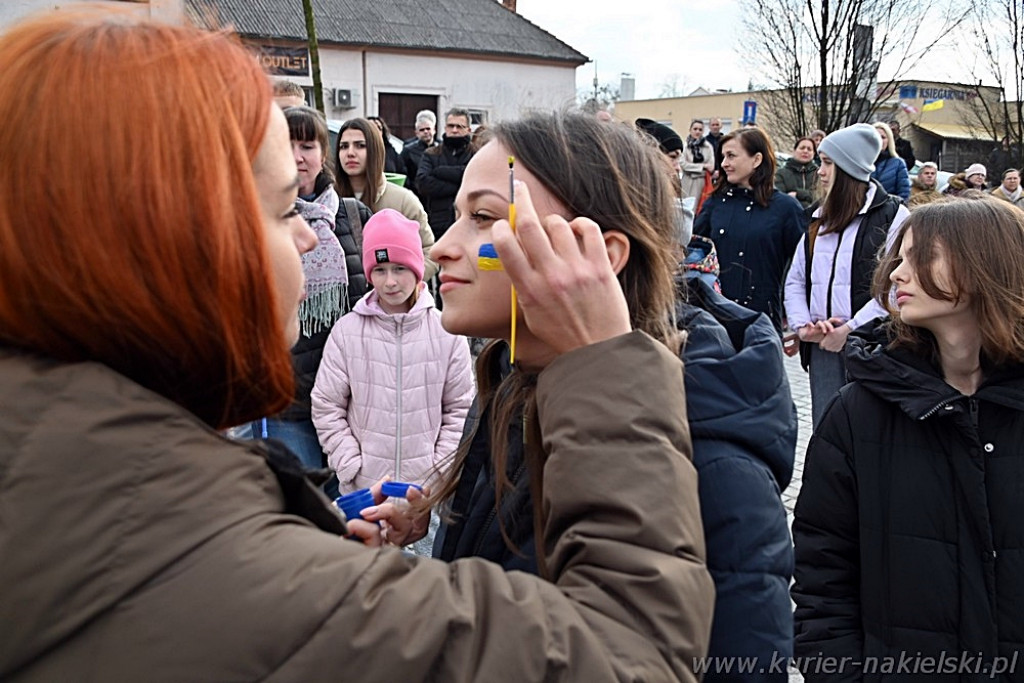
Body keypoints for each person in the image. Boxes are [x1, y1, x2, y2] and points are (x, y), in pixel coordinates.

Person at [0, 11, 715, 681]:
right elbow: (634, 655)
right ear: (179, 244)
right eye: (285, 211)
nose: (311, 236)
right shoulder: (619, 413)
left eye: (484, 217)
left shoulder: (693, 430)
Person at [372, 113, 790, 681]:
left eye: (485, 218)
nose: (443, 247)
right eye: (458, 217)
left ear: (603, 252)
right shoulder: (513, 378)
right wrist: (442, 515)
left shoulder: (707, 452)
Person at [792, 198, 1024, 682]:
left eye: (922, 256)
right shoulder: (858, 413)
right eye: (899, 257)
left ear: (988, 264)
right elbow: (822, 580)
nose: (898, 273)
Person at [312, 208, 473, 496]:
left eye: (399, 268)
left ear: (416, 268)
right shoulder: (347, 332)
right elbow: (326, 405)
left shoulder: (446, 332)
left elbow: (460, 408)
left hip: (426, 495)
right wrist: (350, 465)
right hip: (363, 490)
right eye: (380, 270)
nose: (390, 282)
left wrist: (440, 470)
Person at [784, 123, 910, 427]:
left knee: (865, 435)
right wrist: (804, 327)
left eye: (827, 163)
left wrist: (851, 329)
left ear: (847, 168)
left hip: (873, 349)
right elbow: (796, 278)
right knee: (826, 431)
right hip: (823, 348)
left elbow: (896, 285)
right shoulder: (818, 218)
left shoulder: (893, 215)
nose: (820, 171)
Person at [244, 105, 349, 472]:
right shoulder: (253, 222)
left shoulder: (353, 215)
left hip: (351, 404)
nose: (296, 156)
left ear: (323, 154)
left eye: (307, 146)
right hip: (290, 401)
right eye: (286, 144)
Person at [694, 127, 806, 333]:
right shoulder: (716, 204)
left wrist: (798, 317)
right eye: (722, 157)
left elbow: (803, 267)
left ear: (756, 160)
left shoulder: (785, 209)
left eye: (731, 156)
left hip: (761, 321)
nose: (725, 163)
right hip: (714, 320)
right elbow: (694, 253)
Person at [335, 117, 437, 279]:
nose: (350, 153)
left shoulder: (403, 200)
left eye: (360, 145)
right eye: (343, 146)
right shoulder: (328, 201)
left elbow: (430, 251)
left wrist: (404, 283)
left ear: (376, 150)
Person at [416, 107, 475, 239]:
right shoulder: (431, 154)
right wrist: (460, 184)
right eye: (451, 126)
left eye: (459, 126)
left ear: (468, 130)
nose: (454, 130)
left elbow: (478, 180)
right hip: (438, 222)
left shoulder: (477, 154)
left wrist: (440, 172)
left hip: (470, 222)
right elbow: (423, 183)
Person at [775, 136, 820, 209]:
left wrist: (797, 194)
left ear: (814, 153)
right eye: (802, 148)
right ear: (794, 151)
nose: (805, 151)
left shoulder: (819, 174)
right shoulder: (781, 173)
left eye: (809, 149)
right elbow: (779, 199)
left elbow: (819, 197)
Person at [400, 109, 437, 197]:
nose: (425, 132)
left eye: (428, 129)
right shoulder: (408, 151)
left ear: (434, 130)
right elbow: (403, 174)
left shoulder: (441, 149)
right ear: (416, 133)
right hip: (416, 196)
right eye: (422, 130)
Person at [870, 121, 910, 201]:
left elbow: (904, 193)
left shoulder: (898, 163)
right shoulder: (861, 162)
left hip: (888, 210)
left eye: (883, 137)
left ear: (889, 140)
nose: (879, 140)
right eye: (876, 136)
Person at [681, 119, 715, 201]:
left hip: (702, 182)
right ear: (690, 130)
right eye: (695, 129)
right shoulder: (685, 146)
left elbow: (711, 167)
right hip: (687, 181)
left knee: (701, 207)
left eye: (700, 129)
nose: (697, 132)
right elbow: (683, 165)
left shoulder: (708, 147)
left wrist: (692, 167)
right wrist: (703, 166)